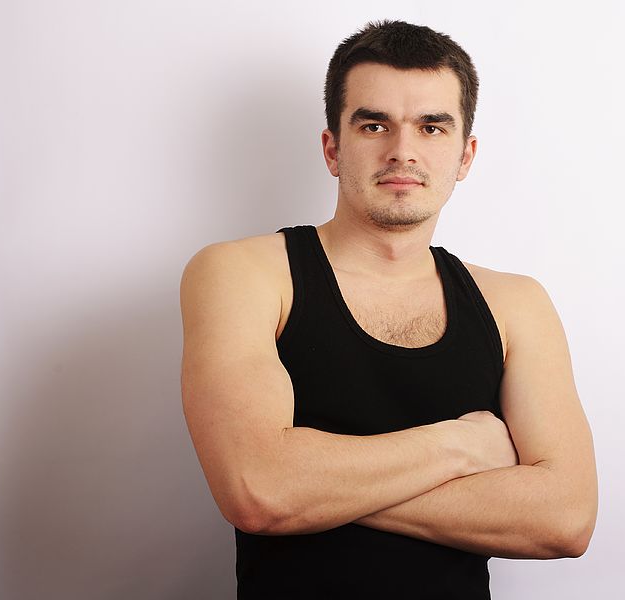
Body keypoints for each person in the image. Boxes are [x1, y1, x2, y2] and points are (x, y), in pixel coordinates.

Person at [179, 19, 598, 599]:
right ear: (332, 147)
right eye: (374, 124)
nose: (403, 151)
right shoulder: (243, 274)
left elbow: (566, 519)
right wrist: (461, 446)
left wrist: (317, 485)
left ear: (465, 155)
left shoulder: (515, 303)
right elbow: (257, 490)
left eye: (431, 127)